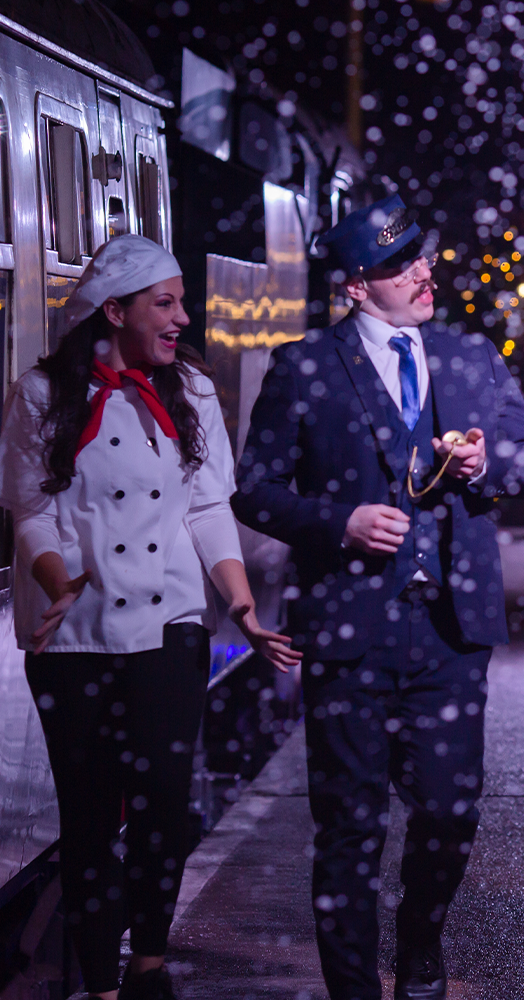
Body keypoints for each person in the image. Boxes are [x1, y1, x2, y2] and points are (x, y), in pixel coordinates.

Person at [231, 194, 524, 1000]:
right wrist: (337, 521)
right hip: (349, 633)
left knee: (450, 815)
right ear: (355, 287)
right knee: (348, 827)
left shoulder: (469, 356)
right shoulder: (303, 366)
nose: (420, 273)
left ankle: (420, 942)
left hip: (451, 631)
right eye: (395, 266)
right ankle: (352, 989)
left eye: (419, 256)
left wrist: (489, 467)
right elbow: (254, 492)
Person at [0, 235, 300, 1000]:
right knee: (90, 812)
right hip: (71, 634)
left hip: (171, 622)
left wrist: (239, 604)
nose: (182, 317)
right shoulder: (40, 395)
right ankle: (100, 982)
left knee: (165, 801)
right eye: (164, 304)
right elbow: (30, 514)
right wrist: (56, 579)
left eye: (179, 301)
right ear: (115, 311)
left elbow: (207, 510)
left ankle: (151, 965)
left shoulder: (191, 391)